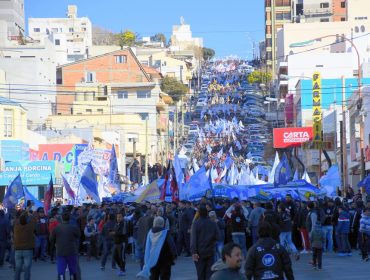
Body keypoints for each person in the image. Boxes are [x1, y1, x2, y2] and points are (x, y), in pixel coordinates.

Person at [191, 204, 219, 280]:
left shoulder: (196, 223)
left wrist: (194, 252)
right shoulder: (212, 223)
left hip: (199, 252)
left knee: (200, 274)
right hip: (210, 251)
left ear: (199, 213)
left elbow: (193, 239)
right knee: (209, 274)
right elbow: (218, 236)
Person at [50, 212, 81, 280]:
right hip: (71, 251)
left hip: (60, 251)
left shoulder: (57, 228)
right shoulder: (73, 227)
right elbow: (78, 235)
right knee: (72, 269)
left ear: (61, 218)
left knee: (61, 270)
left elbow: (51, 239)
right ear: (69, 219)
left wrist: (56, 242)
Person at [14, 210, 36, 280]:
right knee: (27, 269)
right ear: (27, 220)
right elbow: (33, 219)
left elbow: (16, 220)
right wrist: (29, 214)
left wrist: (22, 215)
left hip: (18, 249)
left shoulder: (16, 227)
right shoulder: (30, 227)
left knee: (18, 268)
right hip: (28, 250)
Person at [113, 212, 128, 276]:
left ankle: (122, 270)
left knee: (121, 257)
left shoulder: (124, 224)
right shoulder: (116, 224)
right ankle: (122, 268)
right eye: (117, 217)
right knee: (115, 256)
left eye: (120, 217)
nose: (118, 218)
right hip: (116, 243)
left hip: (122, 242)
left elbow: (122, 233)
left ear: (122, 217)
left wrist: (114, 233)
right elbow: (115, 231)